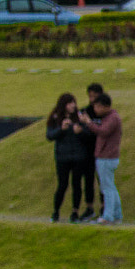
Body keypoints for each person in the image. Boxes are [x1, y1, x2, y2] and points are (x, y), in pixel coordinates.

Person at [76, 92, 123, 223]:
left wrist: (88, 122)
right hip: (106, 157)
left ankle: (107, 217)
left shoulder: (112, 118)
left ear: (104, 106)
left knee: (106, 188)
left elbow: (102, 131)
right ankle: (117, 215)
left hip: (107, 157)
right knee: (110, 187)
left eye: (96, 107)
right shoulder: (110, 117)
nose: (95, 110)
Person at [45, 93, 91, 223]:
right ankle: (56, 211)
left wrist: (80, 131)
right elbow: (49, 136)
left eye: (73, 103)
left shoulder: (80, 117)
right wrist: (61, 129)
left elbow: (88, 135)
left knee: (77, 184)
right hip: (62, 157)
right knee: (62, 185)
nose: (73, 106)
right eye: (69, 103)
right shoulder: (55, 118)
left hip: (78, 157)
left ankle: (75, 212)